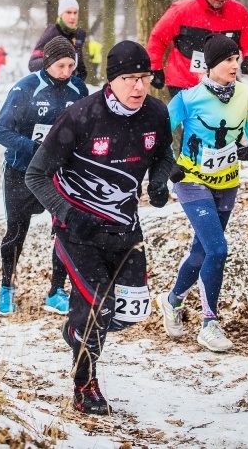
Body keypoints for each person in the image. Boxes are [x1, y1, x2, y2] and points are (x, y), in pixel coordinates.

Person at [25, 40, 174, 415]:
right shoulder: (81, 116)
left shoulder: (156, 113)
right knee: (97, 309)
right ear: (112, 80)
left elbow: (163, 156)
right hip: (78, 230)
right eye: (129, 78)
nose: (139, 87)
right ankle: (85, 384)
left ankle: (76, 331)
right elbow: (36, 175)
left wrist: (158, 181)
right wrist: (68, 214)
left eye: (145, 77)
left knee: (130, 312)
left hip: (126, 229)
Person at [156, 35, 248, 352]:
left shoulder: (246, 95)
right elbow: (159, 134)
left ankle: (172, 299)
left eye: (237, 59)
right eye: (228, 60)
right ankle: (210, 323)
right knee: (218, 249)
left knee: (203, 251)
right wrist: (171, 166)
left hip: (227, 181)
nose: (235, 65)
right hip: (191, 180)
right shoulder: (187, 99)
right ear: (211, 65)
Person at [0, 36, 89, 315]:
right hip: (21, 171)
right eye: (61, 65)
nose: (66, 71)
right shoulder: (25, 89)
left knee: (64, 230)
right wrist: (36, 148)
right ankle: (7, 286)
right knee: (16, 231)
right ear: (47, 63)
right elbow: (0, 131)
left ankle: (56, 291)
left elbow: (85, 128)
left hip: (59, 174)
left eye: (71, 64)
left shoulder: (78, 89)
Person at [147, 0, 248, 98]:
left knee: (226, 117)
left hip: (222, 82)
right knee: (194, 118)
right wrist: (155, 68)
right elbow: (158, 38)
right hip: (184, 82)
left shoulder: (238, 12)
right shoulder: (181, 10)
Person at [29, 0, 87, 81]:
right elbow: (32, 64)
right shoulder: (51, 33)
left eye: (75, 13)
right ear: (61, 14)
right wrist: (54, 63)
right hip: (51, 84)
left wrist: (81, 74)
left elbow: (78, 55)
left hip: (70, 82)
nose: (72, 17)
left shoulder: (79, 33)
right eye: (68, 12)